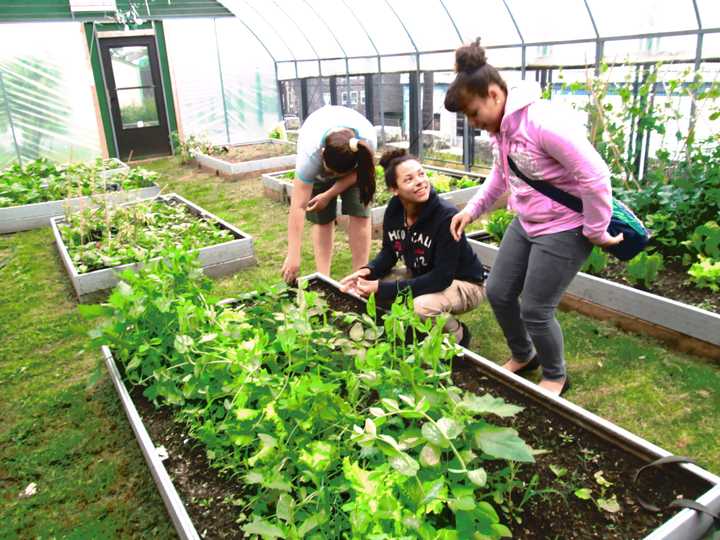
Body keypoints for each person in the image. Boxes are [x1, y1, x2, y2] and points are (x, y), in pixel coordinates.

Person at [445, 40, 623, 396]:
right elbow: (501, 175)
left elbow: (595, 175)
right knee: (498, 291)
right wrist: (472, 209)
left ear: (495, 94)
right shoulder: (503, 131)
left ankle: (556, 375)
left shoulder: (542, 123)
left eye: (474, 112)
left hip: (565, 227)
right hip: (527, 221)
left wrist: (596, 229)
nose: (474, 123)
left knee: (536, 308)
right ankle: (524, 355)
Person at [340, 148, 487, 347]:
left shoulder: (445, 216)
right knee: (367, 287)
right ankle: (406, 332)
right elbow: (390, 251)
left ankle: (458, 335)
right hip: (423, 274)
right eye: (409, 179)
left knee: (421, 306)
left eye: (421, 174)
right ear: (395, 189)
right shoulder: (394, 209)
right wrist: (368, 271)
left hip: (464, 283)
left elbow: (441, 278)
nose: (420, 181)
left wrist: (382, 288)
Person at [281, 105, 376, 284]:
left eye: (336, 175)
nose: (331, 178)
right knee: (322, 219)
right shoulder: (311, 154)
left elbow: (361, 173)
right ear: (323, 154)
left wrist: (330, 193)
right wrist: (293, 254)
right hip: (320, 143)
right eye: (330, 173)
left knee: (360, 214)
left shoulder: (366, 142)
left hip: (354, 170)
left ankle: (360, 277)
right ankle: (324, 279)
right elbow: (299, 206)